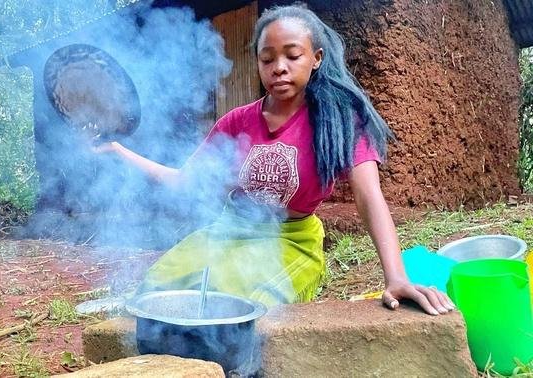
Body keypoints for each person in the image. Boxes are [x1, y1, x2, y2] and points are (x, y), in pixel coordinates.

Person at [94, 3, 454, 315]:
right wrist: (121, 154)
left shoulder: (340, 122)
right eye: (267, 59)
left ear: (316, 59)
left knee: (244, 307)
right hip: (228, 231)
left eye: (292, 55)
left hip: (290, 240)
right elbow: (185, 182)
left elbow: (368, 196)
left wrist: (396, 278)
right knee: (156, 292)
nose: (278, 67)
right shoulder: (236, 122)